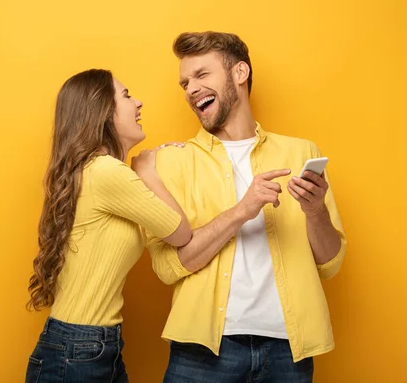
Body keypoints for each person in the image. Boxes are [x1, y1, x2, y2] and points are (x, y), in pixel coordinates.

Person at [144, 31, 347, 383]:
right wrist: (242, 209)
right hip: (203, 352)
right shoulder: (173, 162)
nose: (191, 89)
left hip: (288, 351)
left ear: (240, 73)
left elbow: (330, 262)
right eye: (185, 82)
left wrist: (315, 212)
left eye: (202, 75)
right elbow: (167, 266)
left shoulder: (302, 153)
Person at [25, 69, 193, 383]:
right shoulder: (107, 173)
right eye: (127, 96)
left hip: (88, 347)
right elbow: (182, 234)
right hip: (79, 351)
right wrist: (148, 172)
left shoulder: (96, 171)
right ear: (103, 111)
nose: (138, 103)